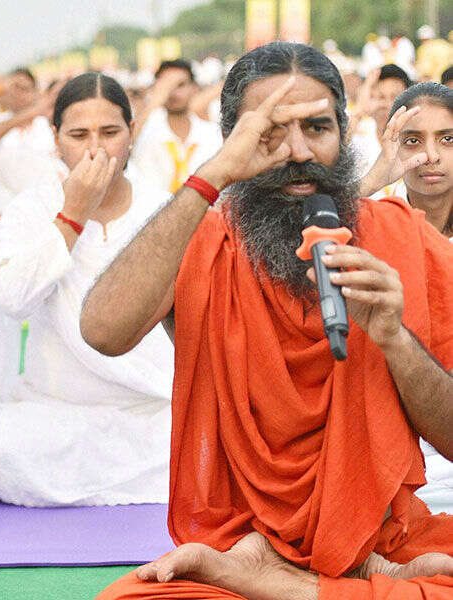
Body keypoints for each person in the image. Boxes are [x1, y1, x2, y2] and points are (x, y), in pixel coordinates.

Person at [80, 42, 453, 599]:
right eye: (271, 132)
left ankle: (291, 587)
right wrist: (210, 180)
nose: (298, 152)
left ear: (343, 133)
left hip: (384, 540)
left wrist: (394, 338)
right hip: (239, 539)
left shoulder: (403, 241)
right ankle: (306, 581)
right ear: (233, 140)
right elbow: (102, 331)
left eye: (318, 128)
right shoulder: (201, 242)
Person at [0, 73, 175, 507]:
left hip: (152, 418)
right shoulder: (32, 208)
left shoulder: (163, 209)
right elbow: (10, 301)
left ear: (132, 134)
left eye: (110, 133)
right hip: (51, 418)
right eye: (79, 134)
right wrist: (72, 216)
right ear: (56, 139)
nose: (96, 149)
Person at [382, 82, 453, 516]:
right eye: (413, 140)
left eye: (447, 139)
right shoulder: (368, 223)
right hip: (393, 457)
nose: (430, 156)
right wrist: (376, 175)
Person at [0, 68, 66, 243]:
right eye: (14, 88)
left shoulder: (49, 129)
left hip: (37, 225)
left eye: (24, 89)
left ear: (37, 93)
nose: (18, 94)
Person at [132, 59, 223, 195]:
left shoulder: (212, 135)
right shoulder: (145, 134)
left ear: (194, 88)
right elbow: (126, 146)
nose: (173, 93)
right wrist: (154, 101)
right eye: (167, 86)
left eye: (180, 85)